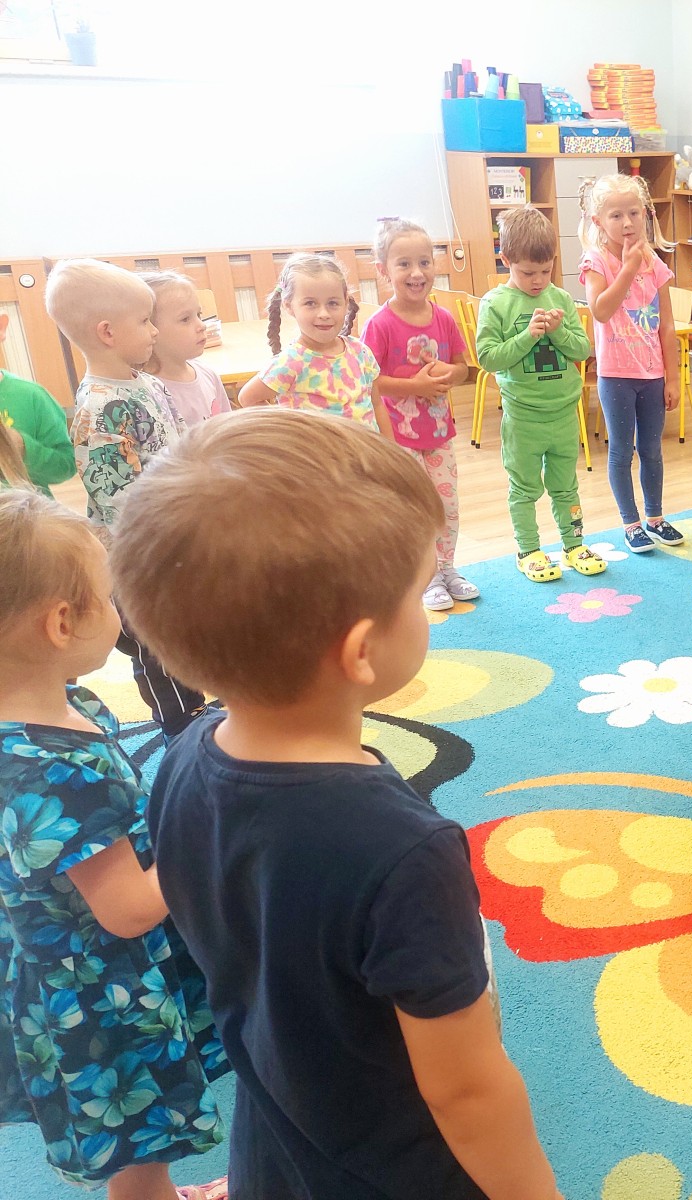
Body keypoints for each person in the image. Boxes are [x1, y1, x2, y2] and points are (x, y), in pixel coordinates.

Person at [112, 409, 563, 1200]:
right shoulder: (405, 851)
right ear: (360, 651)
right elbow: (465, 1091)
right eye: (417, 592)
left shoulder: (184, 758)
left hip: (279, 1134)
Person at [0, 490, 228, 1200]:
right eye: (108, 596)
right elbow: (127, 909)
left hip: (79, 966)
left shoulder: (60, 711)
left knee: (142, 1136)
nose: (120, 610)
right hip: (102, 989)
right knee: (139, 1130)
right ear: (62, 622)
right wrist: (201, 836)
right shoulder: (51, 768)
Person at [45, 259, 207, 740]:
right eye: (144, 321)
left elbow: (179, 443)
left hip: (172, 535)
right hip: (135, 554)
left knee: (180, 629)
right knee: (151, 641)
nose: (154, 331)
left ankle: (198, 705)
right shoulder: (99, 407)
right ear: (108, 332)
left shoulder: (148, 383)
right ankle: (179, 725)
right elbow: (115, 496)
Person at [477, 204, 603, 584]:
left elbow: (583, 350)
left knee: (566, 486)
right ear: (506, 260)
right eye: (527, 272)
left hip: (563, 413)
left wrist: (557, 331)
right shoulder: (495, 303)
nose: (537, 281)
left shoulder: (560, 298)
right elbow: (487, 358)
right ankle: (529, 550)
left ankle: (573, 544)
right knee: (525, 487)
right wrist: (526, 336)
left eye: (545, 271)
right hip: (523, 417)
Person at [363, 217, 478, 612]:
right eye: (404, 264)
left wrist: (450, 374)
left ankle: (446, 568)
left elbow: (463, 368)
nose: (417, 273)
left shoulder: (443, 318)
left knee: (446, 506)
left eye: (424, 262)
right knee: (413, 509)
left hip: (440, 434)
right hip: (398, 438)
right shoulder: (379, 325)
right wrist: (416, 386)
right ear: (383, 271)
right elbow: (369, 381)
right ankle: (422, 577)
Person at [577, 174, 684, 554]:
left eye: (634, 213)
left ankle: (655, 517)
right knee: (621, 451)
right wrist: (627, 267)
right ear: (598, 221)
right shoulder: (595, 261)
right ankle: (631, 523)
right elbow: (601, 310)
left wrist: (672, 378)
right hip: (616, 376)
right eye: (616, 215)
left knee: (652, 449)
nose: (627, 223)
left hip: (652, 375)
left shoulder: (655, 263)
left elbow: (667, 326)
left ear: (645, 214)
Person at [239, 253, 383, 432]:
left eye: (332, 303)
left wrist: (391, 447)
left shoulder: (360, 352)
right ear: (289, 305)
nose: (324, 314)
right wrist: (288, 429)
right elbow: (247, 398)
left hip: (365, 449)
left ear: (346, 303)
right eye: (310, 303)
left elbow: (377, 404)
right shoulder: (290, 362)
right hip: (316, 451)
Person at [141, 271, 230, 427]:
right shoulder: (145, 392)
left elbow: (228, 428)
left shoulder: (208, 374)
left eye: (199, 315)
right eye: (185, 319)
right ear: (150, 329)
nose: (202, 325)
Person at [0, 311, 74, 495]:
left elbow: (65, 466)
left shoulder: (31, 396)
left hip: (30, 510)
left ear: (1, 328)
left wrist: (23, 447)